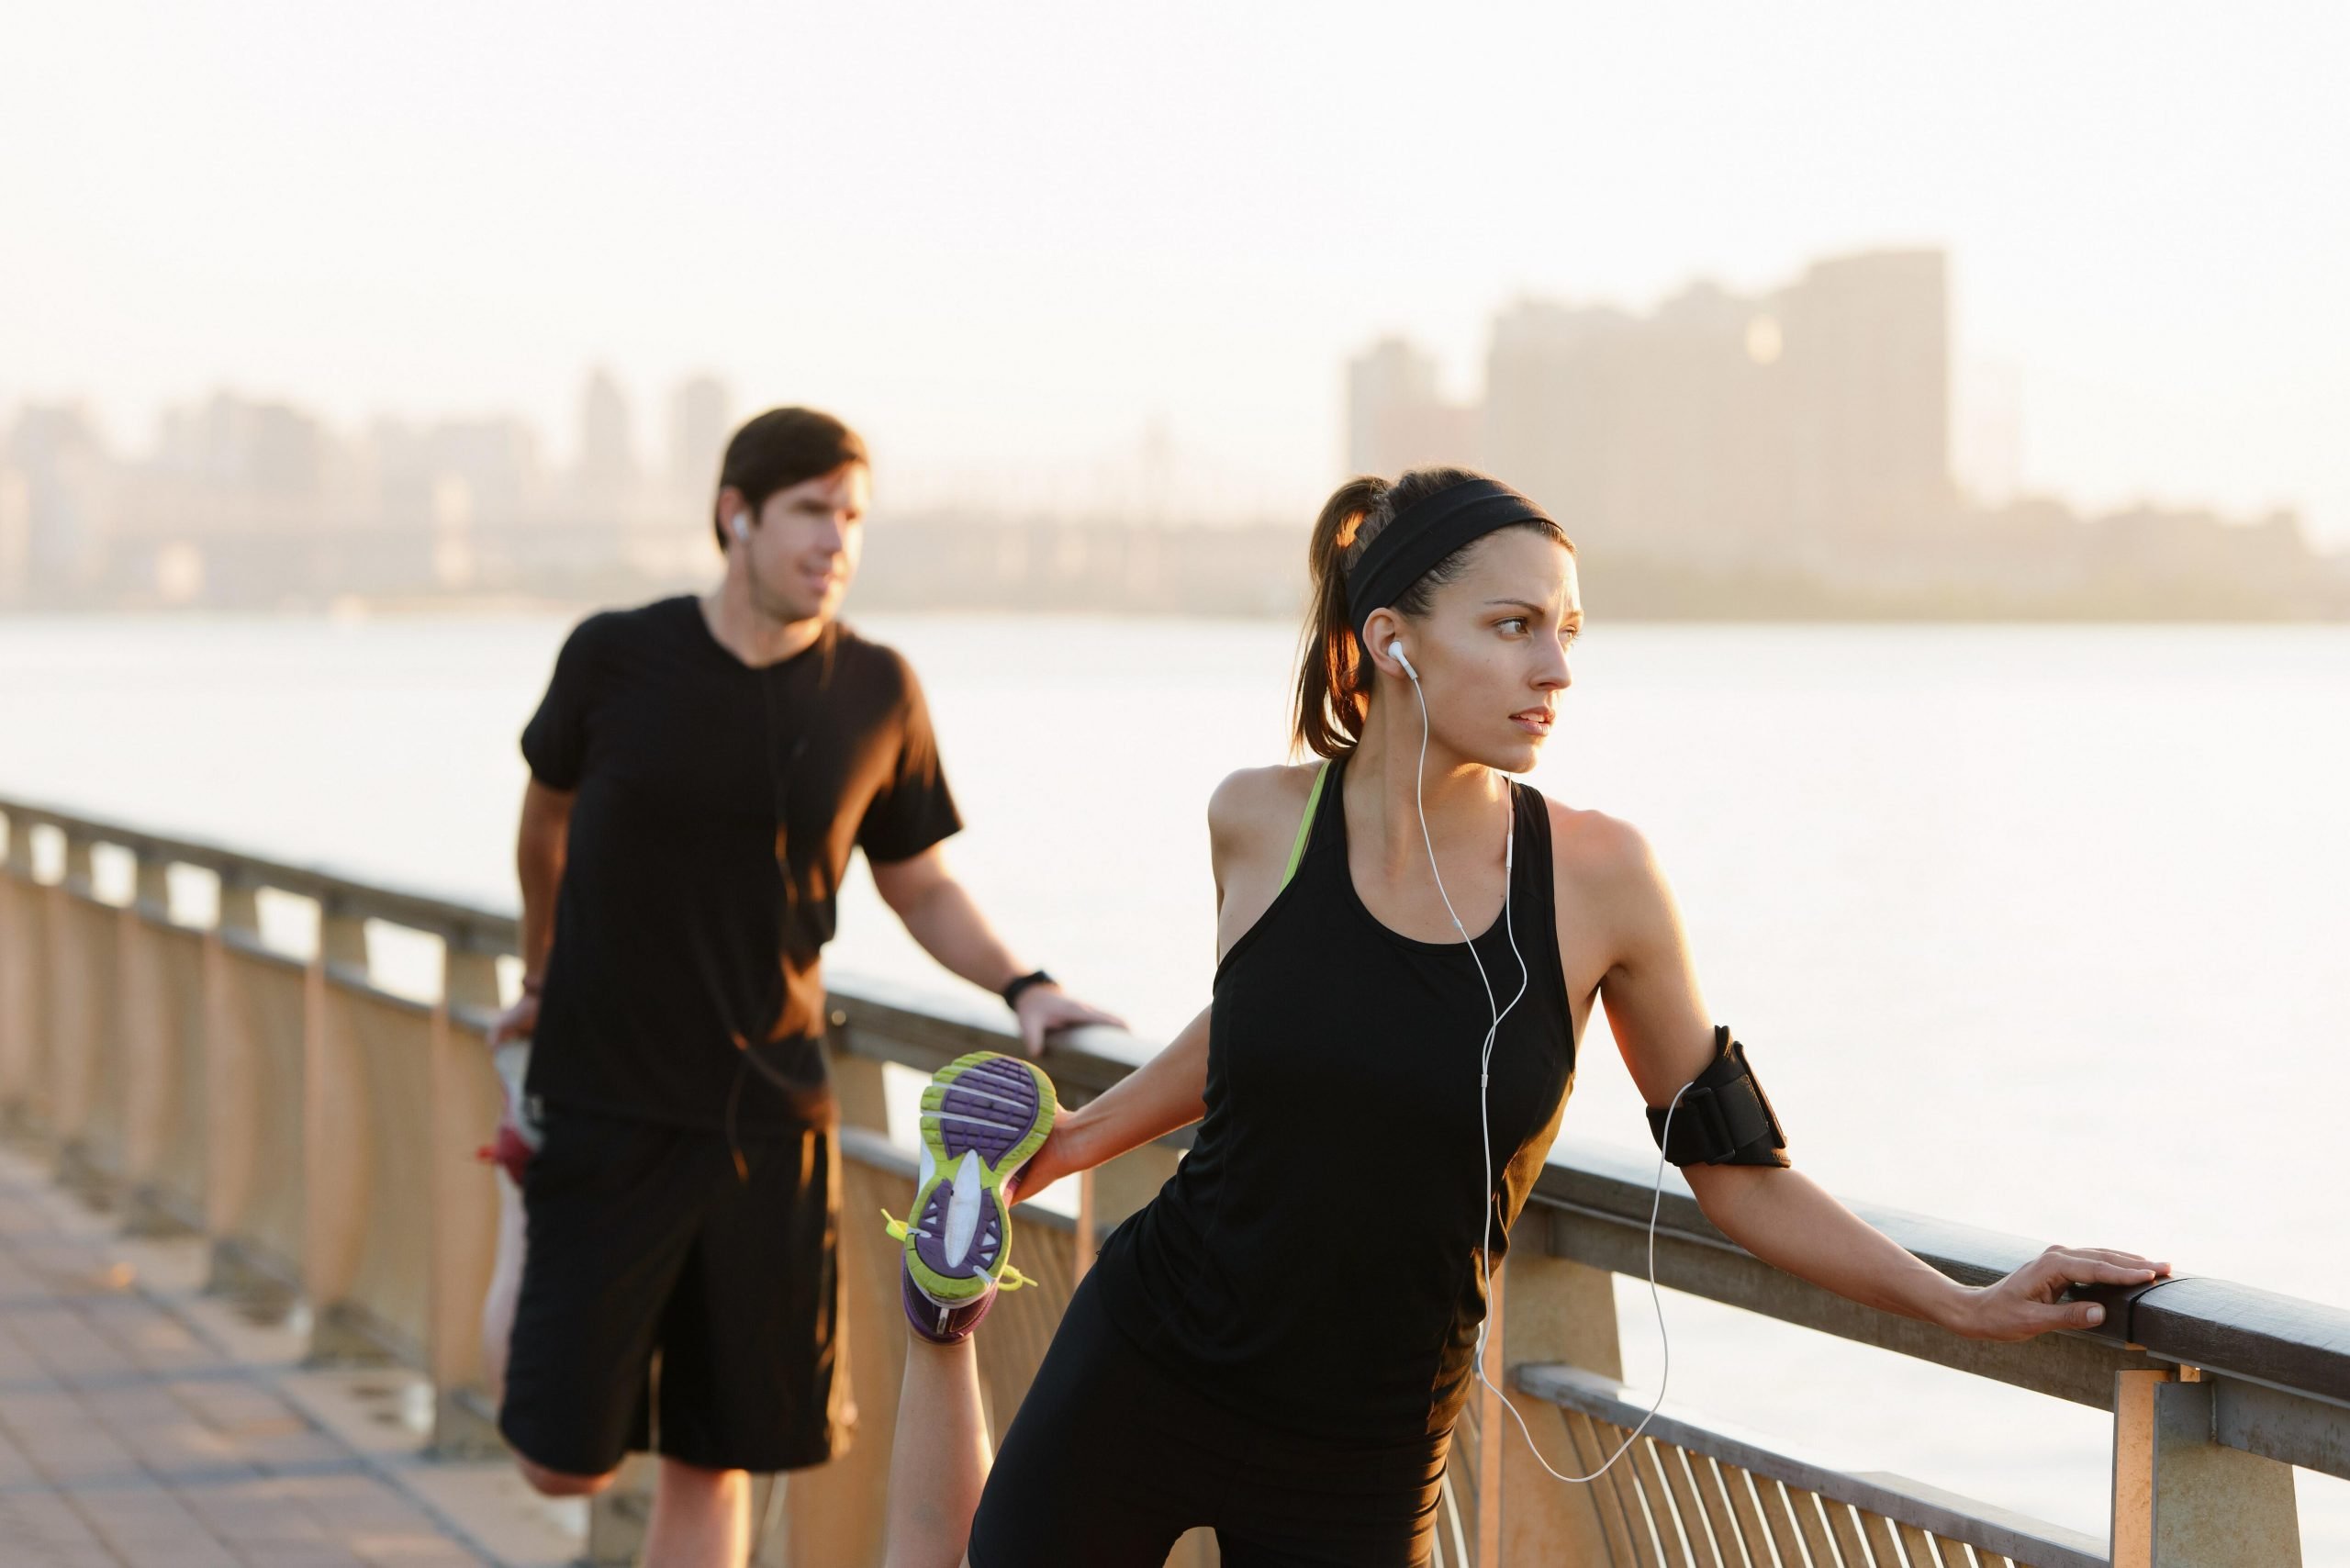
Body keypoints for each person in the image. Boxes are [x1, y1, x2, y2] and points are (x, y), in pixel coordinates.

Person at [876, 467, 2172, 1568]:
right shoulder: (1259, 820)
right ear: (1394, 638)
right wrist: (1075, 1142)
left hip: (1368, 1431)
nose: (1554, 669)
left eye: (1568, 632)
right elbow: (1261, 1029)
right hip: (1151, 1356)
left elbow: (1736, 1169)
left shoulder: (1602, 879)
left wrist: (1967, 1303)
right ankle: (951, 1315)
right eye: (1512, 627)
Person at [482, 406, 1123, 1568]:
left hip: (767, 1117)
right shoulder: (612, 655)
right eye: (812, 512)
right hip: (599, 1095)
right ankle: (516, 1196)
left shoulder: (876, 689)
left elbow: (917, 882)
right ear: (736, 515)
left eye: (854, 517)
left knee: (716, 1455)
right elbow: (545, 829)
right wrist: (538, 971)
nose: (837, 540)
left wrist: (1028, 984)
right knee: (559, 1458)